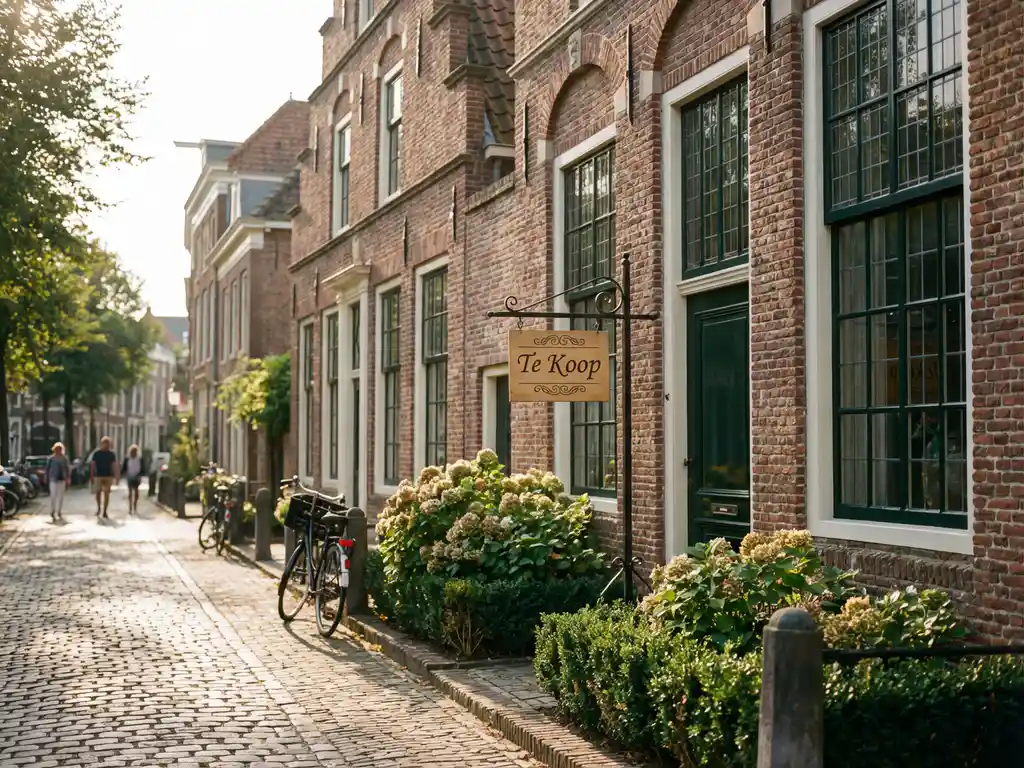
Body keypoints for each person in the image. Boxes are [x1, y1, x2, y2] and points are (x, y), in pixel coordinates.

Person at [90, 436, 119, 519]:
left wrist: (116, 476)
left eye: (108, 444)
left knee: (107, 494)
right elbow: (93, 465)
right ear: (101, 444)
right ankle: (99, 507)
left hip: (108, 476)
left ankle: (105, 511)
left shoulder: (111, 454)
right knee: (98, 493)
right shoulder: (96, 453)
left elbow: (114, 465)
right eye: (104, 444)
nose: (106, 445)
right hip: (98, 475)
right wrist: (91, 475)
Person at [45, 442, 71, 522]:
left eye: (60, 449)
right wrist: (46, 477)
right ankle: (53, 511)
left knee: (61, 496)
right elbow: (47, 469)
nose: (58, 451)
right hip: (53, 479)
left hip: (62, 479)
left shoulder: (64, 458)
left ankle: (59, 511)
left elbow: (67, 468)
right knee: (53, 495)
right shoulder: (51, 459)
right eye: (56, 449)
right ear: (54, 450)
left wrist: (68, 478)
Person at [121, 444, 147, 516]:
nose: (134, 452)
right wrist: (122, 474)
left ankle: (135, 506)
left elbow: (143, 468)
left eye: (135, 451)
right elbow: (124, 468)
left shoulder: (140, 459)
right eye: (132, 451)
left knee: (136, 492)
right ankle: (130, 508)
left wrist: (141, 475)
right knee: (130, 492)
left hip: (137, 476)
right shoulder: (127, 459)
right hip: (129, 476)